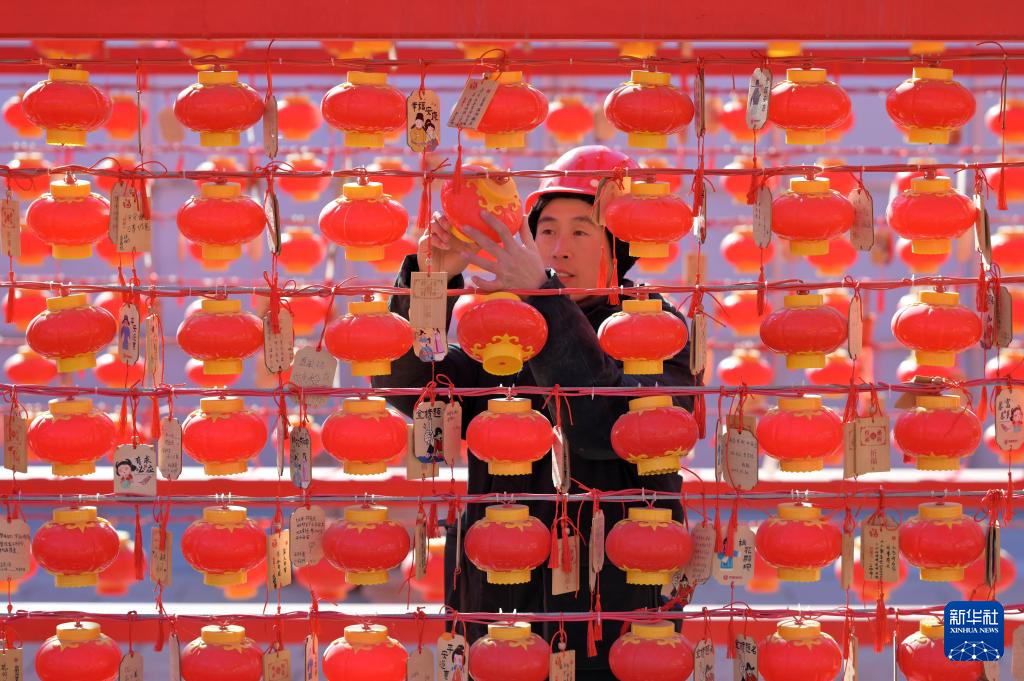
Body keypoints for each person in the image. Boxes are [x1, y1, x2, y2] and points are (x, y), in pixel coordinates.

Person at [373, 146, 700, 680]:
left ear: (618, 245)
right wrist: (432, 282)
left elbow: (607, 426)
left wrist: (545, 299)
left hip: (614, 609)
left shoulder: (657, 329)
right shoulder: (505, 325)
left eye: (581, 231)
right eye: (546, 230)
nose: (559, 248)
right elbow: (412, 388)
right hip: (504, 605)